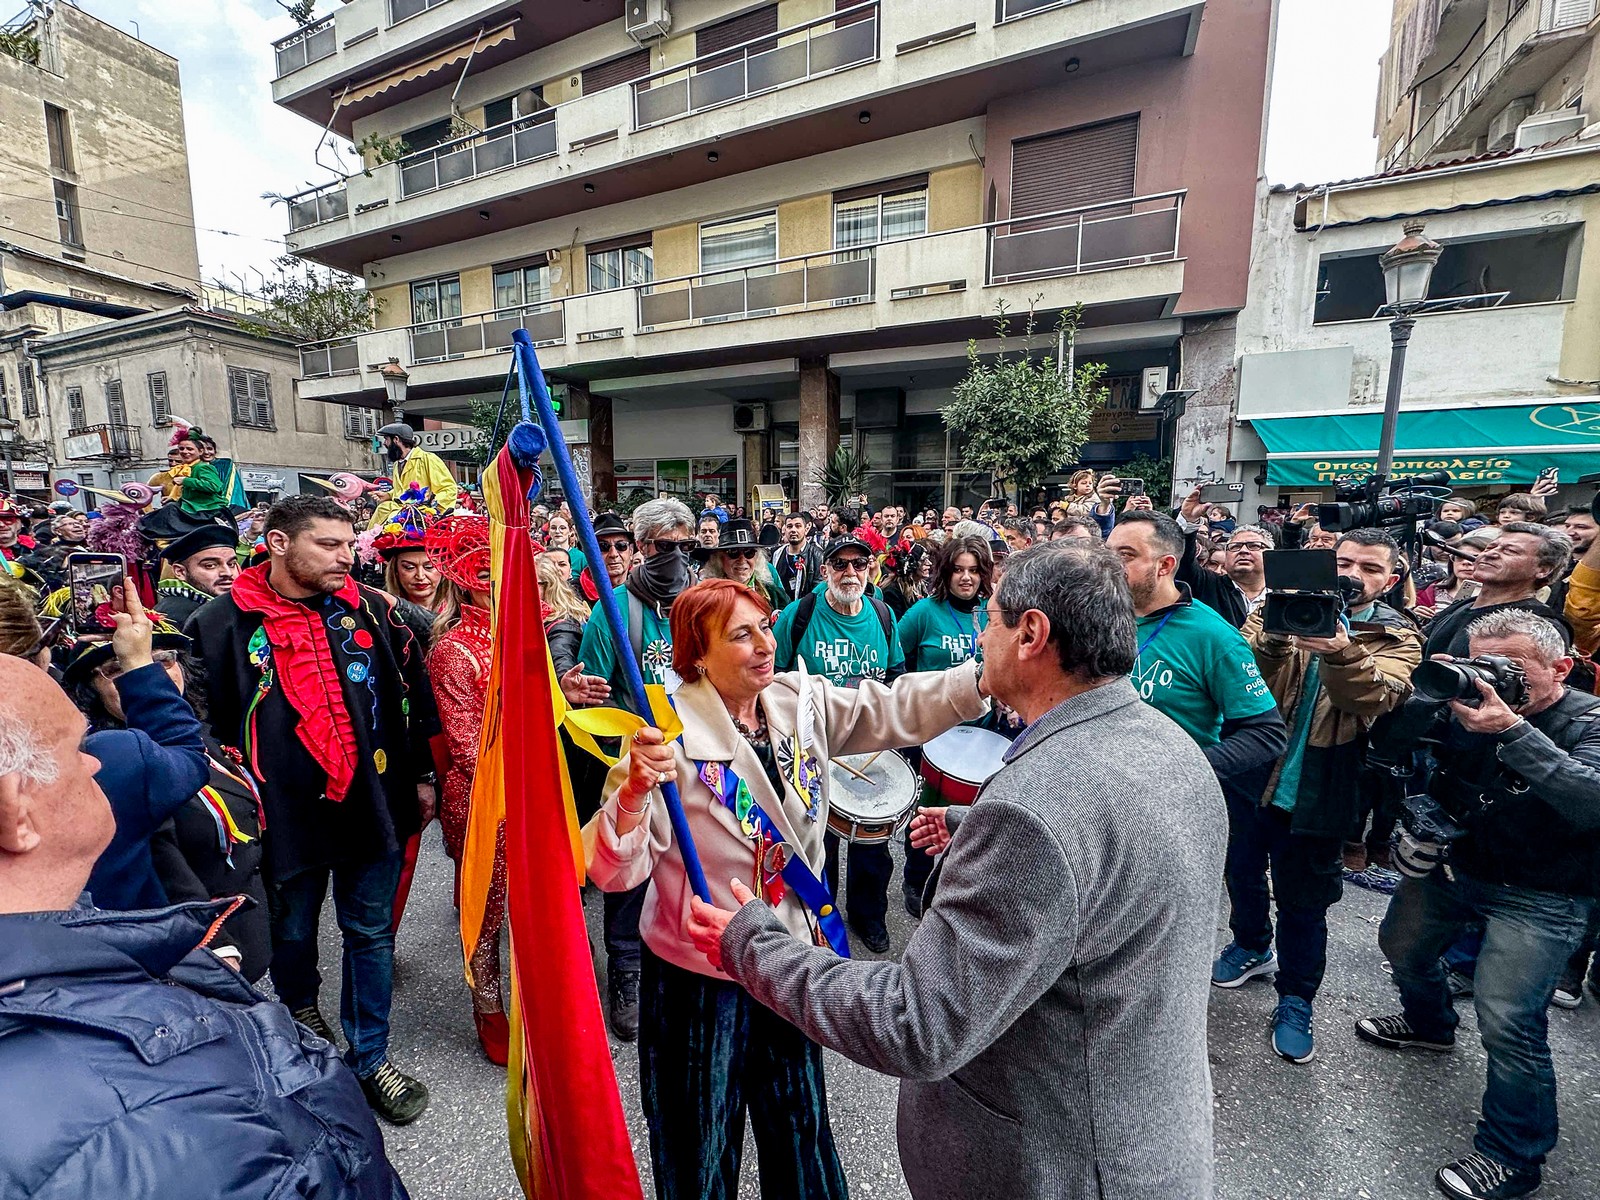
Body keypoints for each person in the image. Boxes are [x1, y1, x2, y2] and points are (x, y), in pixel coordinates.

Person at [686, 541, 1227, 1200]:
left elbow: (917, 1025)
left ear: (1030, 635)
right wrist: (978, 827)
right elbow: (1110, 857)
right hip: (1146, 1137)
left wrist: (754, 940)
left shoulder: (1035, 814)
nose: (979, 633)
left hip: (1056, 1170)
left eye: (992, 618)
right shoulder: (1173, 747)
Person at [589, 578, 990, 1200]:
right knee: (698, 1143)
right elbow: (614, 871)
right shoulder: (664, 736)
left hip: (787, 957)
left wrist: (981, 682)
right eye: (741, 635)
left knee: (799, 1127)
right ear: (697, 652)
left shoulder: (796, 700)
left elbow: (890, 708)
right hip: (703, 974)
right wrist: (637, 790)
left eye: (766, 627)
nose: (763, 644)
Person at [0, 656, 412, 1200]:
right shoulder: (173, 1106)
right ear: (16, 812)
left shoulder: (83, 950)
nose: (94, 764)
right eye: (77, 748)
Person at [186, 494, 439, 1124]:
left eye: (348, 544)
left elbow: (416, 692)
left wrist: (425, 776)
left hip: (372, 803)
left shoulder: (374, 611)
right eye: (328, 544)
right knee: (292, 931)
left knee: (370, 933)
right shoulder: (219, 624)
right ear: (277, 543)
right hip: (282, 815)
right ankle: (301, 1020)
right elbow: (202, 723)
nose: (345, 557)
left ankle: (371, 1055)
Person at [1358, 609, 1600, 1200]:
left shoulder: (1588, 720)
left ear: (1561, 668)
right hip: (1456, 864)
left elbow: (1590, 798)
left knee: (1508, 1020)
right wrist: (1425, 694)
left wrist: (1511, 729)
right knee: (1403, 949)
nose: (1488, 678)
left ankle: (1513, 1156)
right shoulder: (1459, 703)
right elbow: (1382, 751)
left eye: (1510, 667)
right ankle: (1430, 1024)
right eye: (1477, 663)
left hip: (1543, 892)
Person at [1221, 529, 1422, 1063]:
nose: (1353, 574)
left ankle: (1296, 998)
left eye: (1370, 568)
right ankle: (1249, 943)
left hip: (1326, 784)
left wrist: (1341, 650)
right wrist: (1274, 635)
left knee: (1305, 902)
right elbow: (1240, 679)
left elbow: (1372, 697)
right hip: (1252, 773)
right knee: (1239, 869)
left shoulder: (1399, 637)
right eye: (1344, 561)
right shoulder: (1272, 611)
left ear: (1391, 580)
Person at [60, 622, 272, 982]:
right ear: (90, 690)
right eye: (117, 670)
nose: (152, 674)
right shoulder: (112, 761)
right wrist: (213, 943)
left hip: (246, 915)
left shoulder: (199, 734)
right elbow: (159, 857)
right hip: (199, 945)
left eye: (165, 660)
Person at [576, 496, 697, 1039]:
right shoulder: (613, 608)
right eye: (662, 546)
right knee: (628, 871)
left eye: (685, 545)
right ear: (641, 548)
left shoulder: (701, 602)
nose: (674, 556)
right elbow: (594, 693)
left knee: (689, 866)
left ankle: (682, 956)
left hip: (699, 761)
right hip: (637, 761)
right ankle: (626, 970)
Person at [772, 533, 906, 952]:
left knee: (872, 844)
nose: (850, 572)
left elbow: (896, 676)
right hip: (814, 747)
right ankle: (820, 917)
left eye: (859, 565)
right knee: (818, 838)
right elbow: (774, 678)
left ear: (870, 569)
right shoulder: (799, 614)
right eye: (841, 564)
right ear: (825, 569)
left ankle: (870, 916)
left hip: (869, 747)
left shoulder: (883, 615)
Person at [1105, 511, 1286, 789]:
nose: (1109, 565)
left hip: (1166, 798)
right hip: (1104, 782)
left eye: (1126, 555)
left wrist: (1185, 771)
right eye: (1108, 553)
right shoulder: (1102, 616)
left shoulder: (1213, 635)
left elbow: (1266, 733)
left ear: (1164, 565)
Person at [893, 534, 996, 915]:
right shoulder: (923, 613)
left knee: (973, 818)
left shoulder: (993, 611)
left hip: (982, 733)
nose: (966, 578)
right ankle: (916, 881)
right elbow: (895, 661)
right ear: (945, 573)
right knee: (925, 813)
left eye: (973, 571)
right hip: (930, 732)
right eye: (958, 570)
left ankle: (961, 885)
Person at [1422, 524, 1571, 659]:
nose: (1490, 554)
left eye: (1510, 551)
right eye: (1490, 547)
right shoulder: (1460, 606)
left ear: (1543, 570)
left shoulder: (1539, 624)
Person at [1175, 486, 1272, 627]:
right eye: (1235, 547)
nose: (1243, 551)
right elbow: (1184, 562)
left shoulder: (1284, 595)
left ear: (1271, 553)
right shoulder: (1208, 586)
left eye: (1254, 546)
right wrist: (1189, 520)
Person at [369, 422, 458, 529]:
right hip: (398, 515)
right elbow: (404, 490)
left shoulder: (428, 459)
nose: (384, 444)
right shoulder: (397, 464)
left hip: (420, 519)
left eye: (386, 439)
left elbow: (448, 489)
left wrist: (431, 510)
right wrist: (388, 495)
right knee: (382, 511)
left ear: (396, 439)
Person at [155, 524, 241, 628]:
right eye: (210, 565)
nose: (227, 573)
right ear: (180, 572)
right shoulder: (173, 618)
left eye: (231, 564)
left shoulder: (225, 605)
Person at [696, 518, 785, 608]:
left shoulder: (775, 595)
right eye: (733, 552)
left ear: (757, 557)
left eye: (749, 552)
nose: (742, 560)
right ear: (719, 559)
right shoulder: (706, 598)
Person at [772, 511, 824, 603]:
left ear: (806, 529)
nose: (793, 530)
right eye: (789, 526)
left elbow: (819, 590)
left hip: (805, 610)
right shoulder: (777, 553)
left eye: (798, 526)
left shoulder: (817, 555)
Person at [879, 538, 932, 619]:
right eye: (923, 560)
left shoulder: (921, 586)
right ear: (910, 565)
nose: (929, 563)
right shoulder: (892, 592)